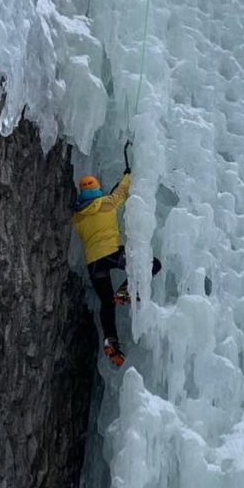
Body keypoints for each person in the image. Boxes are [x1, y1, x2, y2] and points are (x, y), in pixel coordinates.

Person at [71, 144, 161, 367]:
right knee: (152, 264)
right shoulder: (106, 204)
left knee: (106, 303)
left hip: (94, 264)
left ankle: (110, 340)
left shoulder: (78, 218)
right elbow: (120, 194)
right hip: (111, 253)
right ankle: (127, 290)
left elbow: (97, 206)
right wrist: (128, 176)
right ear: (97, 190)